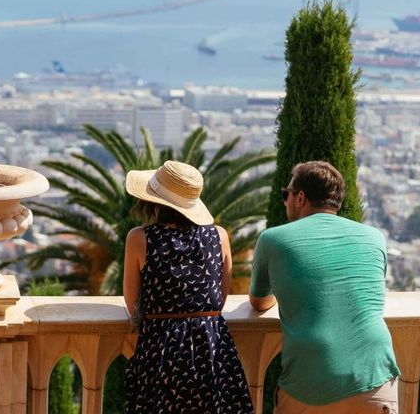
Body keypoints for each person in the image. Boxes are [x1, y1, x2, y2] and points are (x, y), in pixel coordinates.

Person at [250, 161, 400, 414]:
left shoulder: (272, 239)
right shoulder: (375, 237)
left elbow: (259, 301)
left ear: (300, 197)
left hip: (308, 385)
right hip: (375, 378)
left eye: (285, 194)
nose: (284, 201)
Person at [123, 160, 254, 413]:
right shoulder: (219, 236)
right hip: (212, 345)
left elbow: (132, 303)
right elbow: (219, 297)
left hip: (161, 347)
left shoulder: (139, 238)